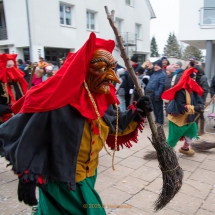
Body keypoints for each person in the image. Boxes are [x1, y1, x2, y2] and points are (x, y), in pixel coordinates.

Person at [0, 33, 153, 215]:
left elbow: (115, 126)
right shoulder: (56, 99)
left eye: (112, 69)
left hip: (88, 174)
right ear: (86, 69)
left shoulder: (102, 98)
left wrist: (137, 111)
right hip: (62, 177)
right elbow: (29, 136)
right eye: (103, 69)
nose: (114, 78)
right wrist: (27, 176)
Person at [162, 67, 205, 155]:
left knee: (193, 132)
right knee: (172, 139)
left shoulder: (193, 89)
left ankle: (184, 148)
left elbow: (199, 100)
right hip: (178, 119)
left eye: (194, 78)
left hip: (189, 119)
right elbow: (181, 107)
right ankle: (164, 153)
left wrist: (201, 106)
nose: (194, 80)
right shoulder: (181, 90)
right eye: (192, 78)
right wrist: (194, 108)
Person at [0, 54, 28, 124]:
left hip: (18, 116)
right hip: (4, 118)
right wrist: (6, 109)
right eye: (9, 66)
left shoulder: (18, 82)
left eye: (13, 66)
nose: (12, 68)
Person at [189, 57, 209, 135]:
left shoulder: (203, 78)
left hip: (201, 99)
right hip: (196, 98)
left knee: (200, 113)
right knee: (195, 113)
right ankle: (196, 129)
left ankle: (201, 130)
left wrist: (202, 100)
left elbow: (205, 90)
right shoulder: (196, 77)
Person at [145, 60, 166, 125]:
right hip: (151, 95)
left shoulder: (162, 75)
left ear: (160, 66)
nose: (155, 66)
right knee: (154, 109)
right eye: (155, 65)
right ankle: (157, 120)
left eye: (157, 65)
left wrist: (157, 94)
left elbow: (161, 86)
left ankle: (160, 122)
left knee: (158, 109)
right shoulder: (154, 74)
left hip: (156, 95)